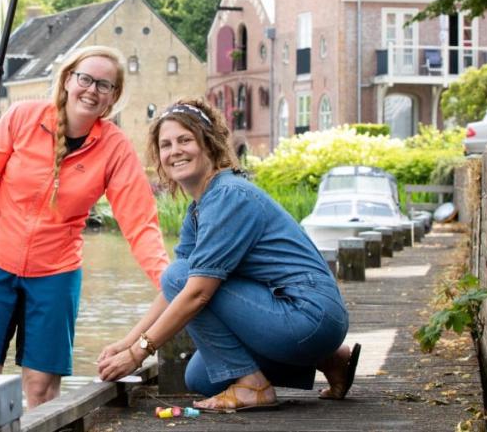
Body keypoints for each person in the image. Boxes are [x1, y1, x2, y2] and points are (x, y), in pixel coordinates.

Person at [97, 98, 360, 412]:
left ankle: (253, 387)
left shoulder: (228, 196)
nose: (174, 151)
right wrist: (127, 342)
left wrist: (139, 352)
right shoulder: (200, 208)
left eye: (184, 140)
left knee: (181, 276)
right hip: (306, 323)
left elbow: (193, 292)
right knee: (202, 376)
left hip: (306, 314)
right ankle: (330, 359)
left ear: (209, 144)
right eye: (165, 145)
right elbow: (173, 292)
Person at [0, 45, 170, 408]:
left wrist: (168, 282)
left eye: (104, 85)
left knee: (40, 389)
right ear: (68, 80)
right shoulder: (23, 117)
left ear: (113, 97)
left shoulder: (115, 148)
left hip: (55, 273)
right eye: (85, 79)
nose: (92, 90)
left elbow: (140, 224)